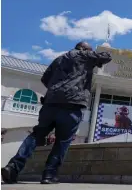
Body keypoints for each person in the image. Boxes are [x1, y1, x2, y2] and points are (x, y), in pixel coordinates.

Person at [1, 41, 112, 185]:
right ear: (83, 49)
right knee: (62, 141)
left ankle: (13, 167)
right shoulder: (84, 55)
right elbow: (107, 56)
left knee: (36, 135)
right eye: (88, 50)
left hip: (51, 103)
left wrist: (57, 90)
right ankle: (49, 175)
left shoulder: (59, 59)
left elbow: (45, 78)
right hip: (72, 105)